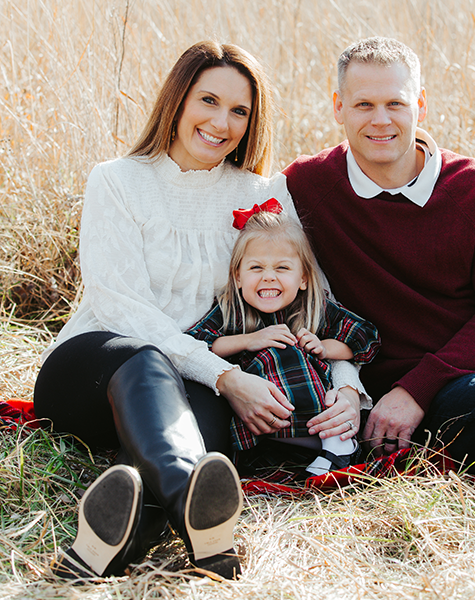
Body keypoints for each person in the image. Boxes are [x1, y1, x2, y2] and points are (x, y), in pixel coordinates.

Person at [33, 41, 363, 580]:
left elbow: (314, 305)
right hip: (97, 367)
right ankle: (196, 499)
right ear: (178, 99)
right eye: (208, 100)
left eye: (239, 111)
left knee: (202, 433)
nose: (221, 122)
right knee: (143, 356)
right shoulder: (117, 180)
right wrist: (227, 375)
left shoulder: (263, 194)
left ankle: (116, 540)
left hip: (195, 387)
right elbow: (121, 307)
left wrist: (346, 386)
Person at [283, 36, 475, 494]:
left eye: (396, 103)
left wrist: (419, 386)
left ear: (421, 105)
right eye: (363, 104)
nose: (380, 120)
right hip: (423, 397)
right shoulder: (308, 187)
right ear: (338, 107)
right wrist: (413, 391)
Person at [187, 207, 380, 476]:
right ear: (238, 276)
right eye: (256, 267)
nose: (268, 276)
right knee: (270, 353)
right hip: (259, 419)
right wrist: (249, 340)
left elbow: (364, 336)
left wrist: (324, 347)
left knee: (287, 351)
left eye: (282, 268)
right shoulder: (230, 309)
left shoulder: (315, 307)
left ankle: (338, 445)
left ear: (302, 278)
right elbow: (199, 344)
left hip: (316, 416)